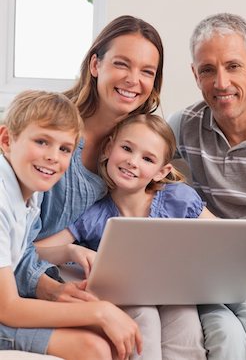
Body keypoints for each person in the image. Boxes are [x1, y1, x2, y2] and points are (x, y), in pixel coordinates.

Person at [168, 12, 246, 359]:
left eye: (233, 66)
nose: (221, 82)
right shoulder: (182, 126)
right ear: (195, 75)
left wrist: (222, 237)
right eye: (207, 70)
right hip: (214, 262)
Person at [35, 113, 213, 360]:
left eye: (147, 158)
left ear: (162, 172)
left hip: (174, 292)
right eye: (127, 148)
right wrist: (70, 250)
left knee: (187, 324)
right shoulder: (94, 213)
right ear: (109, 148)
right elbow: (38, 249)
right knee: (144, 320)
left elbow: (222, 238)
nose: (132, 161)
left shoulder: (179, 199)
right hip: (126, 296)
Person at [14, 15, 164, 302]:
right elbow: (16, 242)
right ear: (96, 65)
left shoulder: (139, 147)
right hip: (29, 274)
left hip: (88, 275)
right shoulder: (48, 129)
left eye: (147, 71)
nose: (133, 80)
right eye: (122, 64)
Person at [0, 90, 142, 360]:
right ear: (7, 140)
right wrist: (99, 312)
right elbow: (6, 307)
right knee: (94, 348)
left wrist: (54, 290)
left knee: (108, 338)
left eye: (64, 148)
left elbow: (19, 254)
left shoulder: (31, 189)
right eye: (42, 141)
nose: (53, 157)